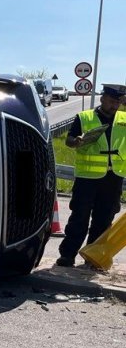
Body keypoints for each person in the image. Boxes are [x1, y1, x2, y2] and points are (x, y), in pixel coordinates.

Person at [56, 83, 126, 267]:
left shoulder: (124, 119)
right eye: (111, 101)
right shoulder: (84, 117)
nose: (114, 106)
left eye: (118, 102)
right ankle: (67, 255)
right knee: (79, 217)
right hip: (87, 178)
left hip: (113, 178)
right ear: (102, 98)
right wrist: (77, 141)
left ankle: (92, 257)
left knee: (104, 220)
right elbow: (69, 141)